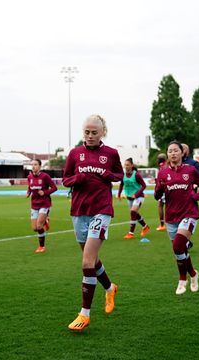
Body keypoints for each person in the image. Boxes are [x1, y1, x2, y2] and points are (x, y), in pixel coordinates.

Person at [62, 114, 122, 332]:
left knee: (87, 263)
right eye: (86, 132)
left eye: (94, 132)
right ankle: (110, 287)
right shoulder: (75, 154)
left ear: (102, 132)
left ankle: (84, 314)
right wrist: (75, 179)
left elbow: (119, 175)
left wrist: (108, 175)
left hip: (102, 210)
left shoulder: (111, 154)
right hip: (79, 211)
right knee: (92, 259)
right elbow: (65, 179)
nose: (89, 136)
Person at [154, 141, 199, 295]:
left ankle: (182, 280)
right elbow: (158, 196)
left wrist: (197, 196)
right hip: (171, 216)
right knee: (180, 250)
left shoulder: (190, 170)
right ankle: (193, 274)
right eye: (170, 151)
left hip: (189, 213)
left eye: (176, 150)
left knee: (178, 246)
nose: (173, 153)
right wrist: (159, 187)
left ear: (181, 153)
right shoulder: (163, 172)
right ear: (167, 154)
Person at [26, 158, 58, 252]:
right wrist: (28, 192)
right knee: (35, 228)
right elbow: (29, 186)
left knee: (39, 226)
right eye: (32, 164)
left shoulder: (45, 176)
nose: (33, 166)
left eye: (35, 164)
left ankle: (41, 247)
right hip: (34, 204)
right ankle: (46, 221)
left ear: (40, 166)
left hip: (44, 203)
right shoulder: (30, 177)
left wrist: (45, 192)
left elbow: (54, 188)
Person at [117, 158, 150, 239]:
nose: (126, 166)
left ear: (132, 165)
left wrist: (136, 194)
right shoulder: (123, 175)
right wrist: (119, 194)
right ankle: (145, 226)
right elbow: (121, 184)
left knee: (132, 212)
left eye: (128, 165)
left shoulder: (136, 175)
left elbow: (144, 185)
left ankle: (131, 233)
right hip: (129, 198)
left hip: (139, 197)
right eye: (125, 165)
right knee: (134, 213)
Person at [155, 153, 168, 231]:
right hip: (169, 188)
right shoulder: (167, 165)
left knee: (160, 206)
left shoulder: (162, 167)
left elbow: (161, 180)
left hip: (163, 189)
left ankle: (162, 224)